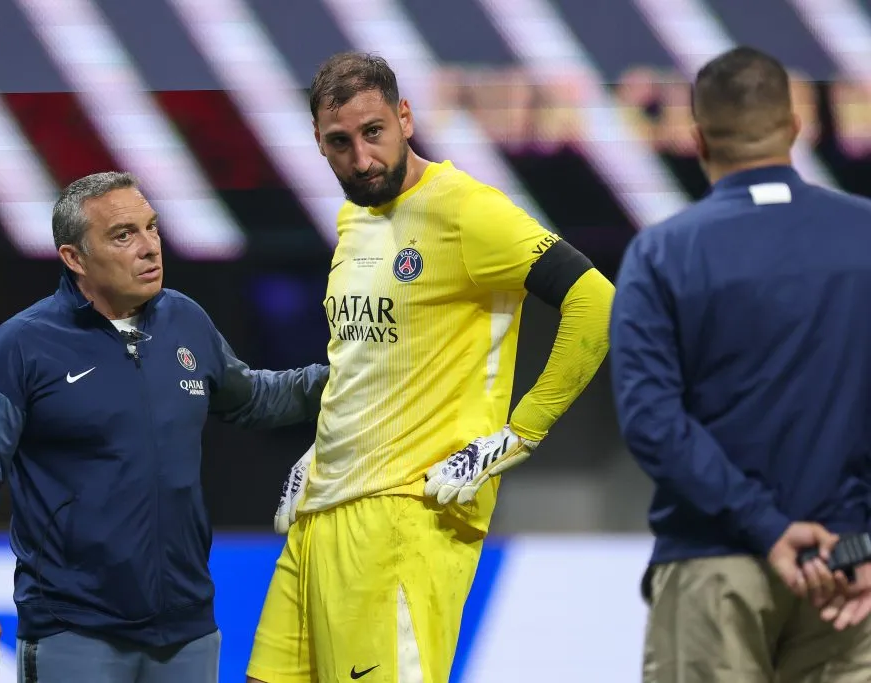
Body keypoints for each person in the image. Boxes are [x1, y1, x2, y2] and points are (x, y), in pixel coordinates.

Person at [245, 52, 615, 683]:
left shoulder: (467, 209)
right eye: (340, 142)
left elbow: (597, 302)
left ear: (406, 118)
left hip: (404, 521)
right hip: (320, 516)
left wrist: (520, 433)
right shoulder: (354, 216)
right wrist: (323, 449)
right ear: (318, 143)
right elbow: (370, 358)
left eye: (374, 132)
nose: (362, 159)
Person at [0, 171, 329, 683]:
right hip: (72, 630)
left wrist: (351, 376)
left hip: (188, 629)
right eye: (123, 235)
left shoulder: (185, 320)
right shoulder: (21, 347)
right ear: (74, 258)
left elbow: (254, 397)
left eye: (152, 227)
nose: (149, 247)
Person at [609, 46, 871, 683]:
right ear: (796, 126)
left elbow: (652, 420)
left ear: (697, 138)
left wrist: (765, 526)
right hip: (852, 570)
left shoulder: (661, 253)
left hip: (713, 568)